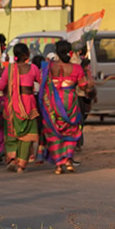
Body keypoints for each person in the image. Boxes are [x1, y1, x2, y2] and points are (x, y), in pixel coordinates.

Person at [39, 39, 88, 174]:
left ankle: (58, 165)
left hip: (52, 104)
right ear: (70, 53)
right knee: (70, 130)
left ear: (56, 53)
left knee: (54, 132)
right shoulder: (77, 68)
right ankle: (68, 161)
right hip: (70, 103)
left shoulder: (48, 66)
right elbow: (84, 86)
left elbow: (40, 80)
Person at [0, 43, 41, 172]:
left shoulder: (9, 69)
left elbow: (1, 86)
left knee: (12, 132)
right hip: (28, 104)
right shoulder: (33, 68)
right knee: (27, 134)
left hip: (12, 105)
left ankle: (12, 158)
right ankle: (21, 164)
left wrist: (1, 76)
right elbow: (42, 81)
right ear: (26, 55)